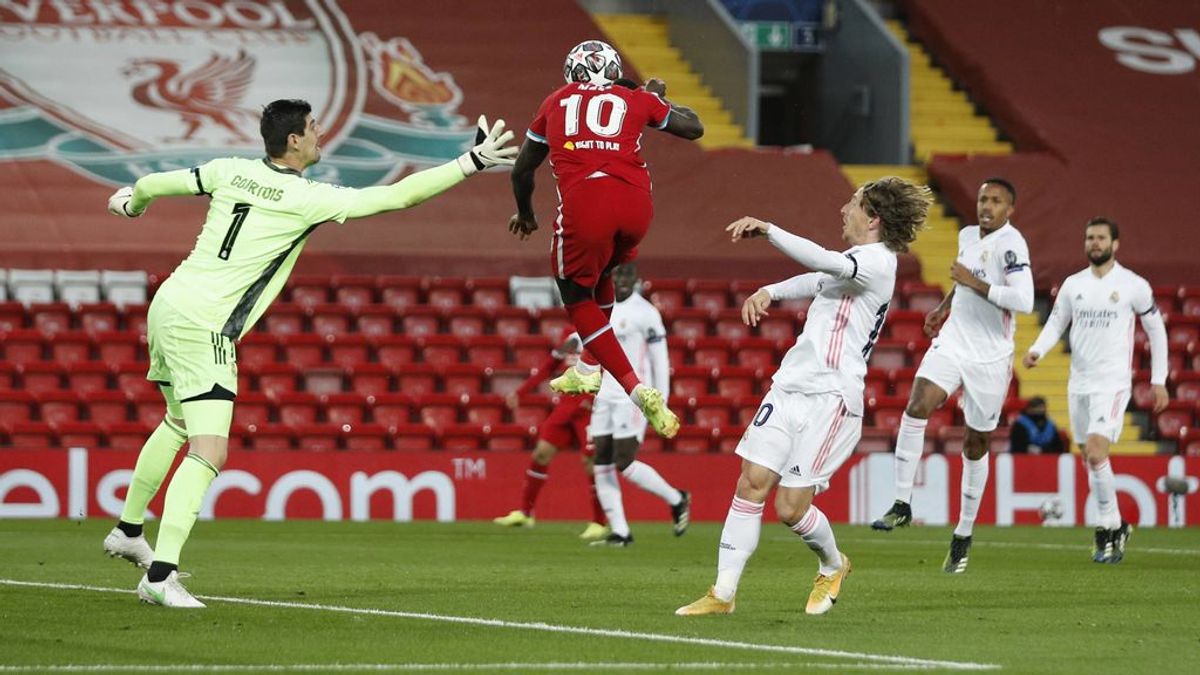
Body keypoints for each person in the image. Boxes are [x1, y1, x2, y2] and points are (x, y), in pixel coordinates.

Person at [100, 99, 518, 607]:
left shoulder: (228, 170)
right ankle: (160, 576)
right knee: (209, 451)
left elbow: (150, 184)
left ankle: (127, 529)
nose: (320, 134)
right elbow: (398, 197)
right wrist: (469, 163)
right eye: (314, 128)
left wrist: (131, 205)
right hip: (204, 323)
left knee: (176, 423)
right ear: (294, 140)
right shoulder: (306, 197)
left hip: (168, 303)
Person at [675, 177, 931, 617]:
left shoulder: (880, 262)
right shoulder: (853, 261)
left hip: (832, 396)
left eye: (852, 204)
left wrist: (770, 230)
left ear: (873, 218)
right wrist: (770, 291)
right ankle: (723, 594)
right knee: (750, 483)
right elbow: (818, 277)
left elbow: (824, 262)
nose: (843, 210)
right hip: (790, 384)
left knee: (791, 508)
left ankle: (833, 565)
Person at [507, 40, 704, 441]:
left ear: (571, 73)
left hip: (588, 203)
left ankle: (635, 388)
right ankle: (587, 369)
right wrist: (655, 98)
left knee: (575, 293)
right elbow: (694, 127)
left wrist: (526, 213)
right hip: (636, 205)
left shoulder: (556, 101)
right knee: (603, 272)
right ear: (614, 70)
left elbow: (522, 170)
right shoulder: (636, 99)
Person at [871, 177, 1034, 575]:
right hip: (954, 341)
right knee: (917, 403)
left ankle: (963, 533)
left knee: (976, 443)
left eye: (996, 201)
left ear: (1010, 209)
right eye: (983, 199)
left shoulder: (1012, 244)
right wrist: (945, 306)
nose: (986, 206)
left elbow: (1024, 299)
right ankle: (902, 501)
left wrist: (972, 283)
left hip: (991, 357)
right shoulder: (966, 235)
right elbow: (963, 281)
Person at [1024, 217, 1169, 563]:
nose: (1095, 243)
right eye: (1090, 237)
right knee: (1092, 460)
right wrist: (1037, 351)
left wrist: (1159, 380)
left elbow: (1157, 332)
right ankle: (1118, 525)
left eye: (1101, 238)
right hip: (1080, 383)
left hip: (1113, 382)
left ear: (1115, 244)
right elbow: (1057, 322)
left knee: (1094, 451)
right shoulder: (1074, 285)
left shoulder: (1133, 285)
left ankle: (1104, 532)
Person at [586, 263, 690, 547]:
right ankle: (620, 532)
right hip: (604, 395)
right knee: (602, 463)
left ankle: (676, 498)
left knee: (624, 461)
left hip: (632, 396)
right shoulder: (600, 305)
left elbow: (660, 359)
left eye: (627, 275)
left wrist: (662, 403)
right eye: (617, 274)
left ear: (636, 279)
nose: (621, 279)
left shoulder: (646, 313)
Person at [493, 330, 610, 540]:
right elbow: (549, 366)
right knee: (541, 454)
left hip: (589, 409)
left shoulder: (602, 331)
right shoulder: (570, 335)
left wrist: (593, 399)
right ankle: (526, 513)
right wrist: (520, 392)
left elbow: (610, 370)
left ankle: (600, 522)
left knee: (591, 462)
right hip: (566, 407)